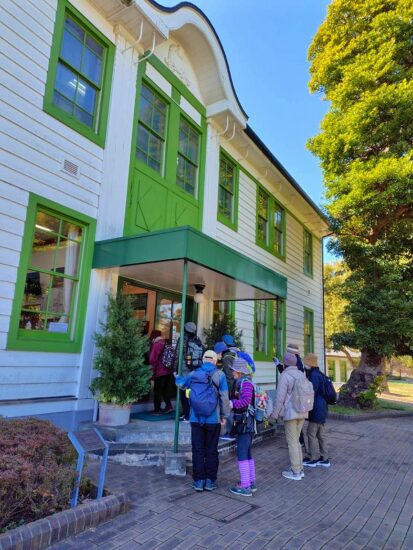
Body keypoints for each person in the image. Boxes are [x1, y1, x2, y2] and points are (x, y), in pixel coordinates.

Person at [175, 350, 230, 492]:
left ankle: (199, 481)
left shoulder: (193, 374)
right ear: (215, 361)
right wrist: (224, 415)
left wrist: (177, 377)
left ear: (203, 360)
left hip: (195, 418)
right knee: (211, 450)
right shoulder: (220, 375)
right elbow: (224, 398)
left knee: (197, 450)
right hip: (213, 419)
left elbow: (181, 384)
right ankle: (210, 481)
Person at [271, 352, 308, 480]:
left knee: (292, 442)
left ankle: (295, 471)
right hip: (302, 411)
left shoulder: (285, 376)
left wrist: (275, 414)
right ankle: (299, 468)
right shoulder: (302, 374)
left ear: (285, 364)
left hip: (291, 413)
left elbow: (280, 398)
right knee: (296, 441)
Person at [228, 358, 257, 497]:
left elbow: (245, 401)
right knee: (247, 452)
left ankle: (245, 486)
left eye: (234, 370)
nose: (232, 372)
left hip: (246, 424)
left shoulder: (245, 383)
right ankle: (251, 482)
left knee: (242, 453)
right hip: (248, 423)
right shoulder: (245, 382)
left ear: (239, 372)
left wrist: (232, 404)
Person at [303, 352, 331, 468]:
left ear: (309, 363)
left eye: (305, 362)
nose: (304, 365)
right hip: (322, 407)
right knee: (321, 434)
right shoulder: (320, 374)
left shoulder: (314, 375)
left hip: (316, 408)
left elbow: (311, 392)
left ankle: (312, 457)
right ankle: (324, 458)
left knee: (311, 433)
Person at [174, 322, 204, 422]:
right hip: (194, 369)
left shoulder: (182, 339)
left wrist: (174, 369)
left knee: (183, 392)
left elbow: (177, 355)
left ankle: (186, 414)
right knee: (191, 392)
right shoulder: (197, 340)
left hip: (184, 370)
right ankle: (191, 414)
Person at [148, 330, 174, 415]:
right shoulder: (165, 343)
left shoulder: (157, 344)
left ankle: (157, 410)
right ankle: (169, 406)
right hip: (168, 370)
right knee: (165, 390)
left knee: (157, 390)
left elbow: (152, 359)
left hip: (160, 371)